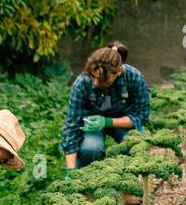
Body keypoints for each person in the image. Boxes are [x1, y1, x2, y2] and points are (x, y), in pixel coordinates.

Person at [61, 42, 150, 176]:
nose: (96, 82)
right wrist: (70, 170)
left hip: (123, 121)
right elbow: (71, 126)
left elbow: (141, 116)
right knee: (91, 149)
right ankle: (86, 182)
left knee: (134, 144)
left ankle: (129, 186)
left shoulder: (134, 77)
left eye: (102, 78)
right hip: (92, 124)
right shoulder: (82, 82)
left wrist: (107, 121)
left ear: (118, 72)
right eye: (93, 76)